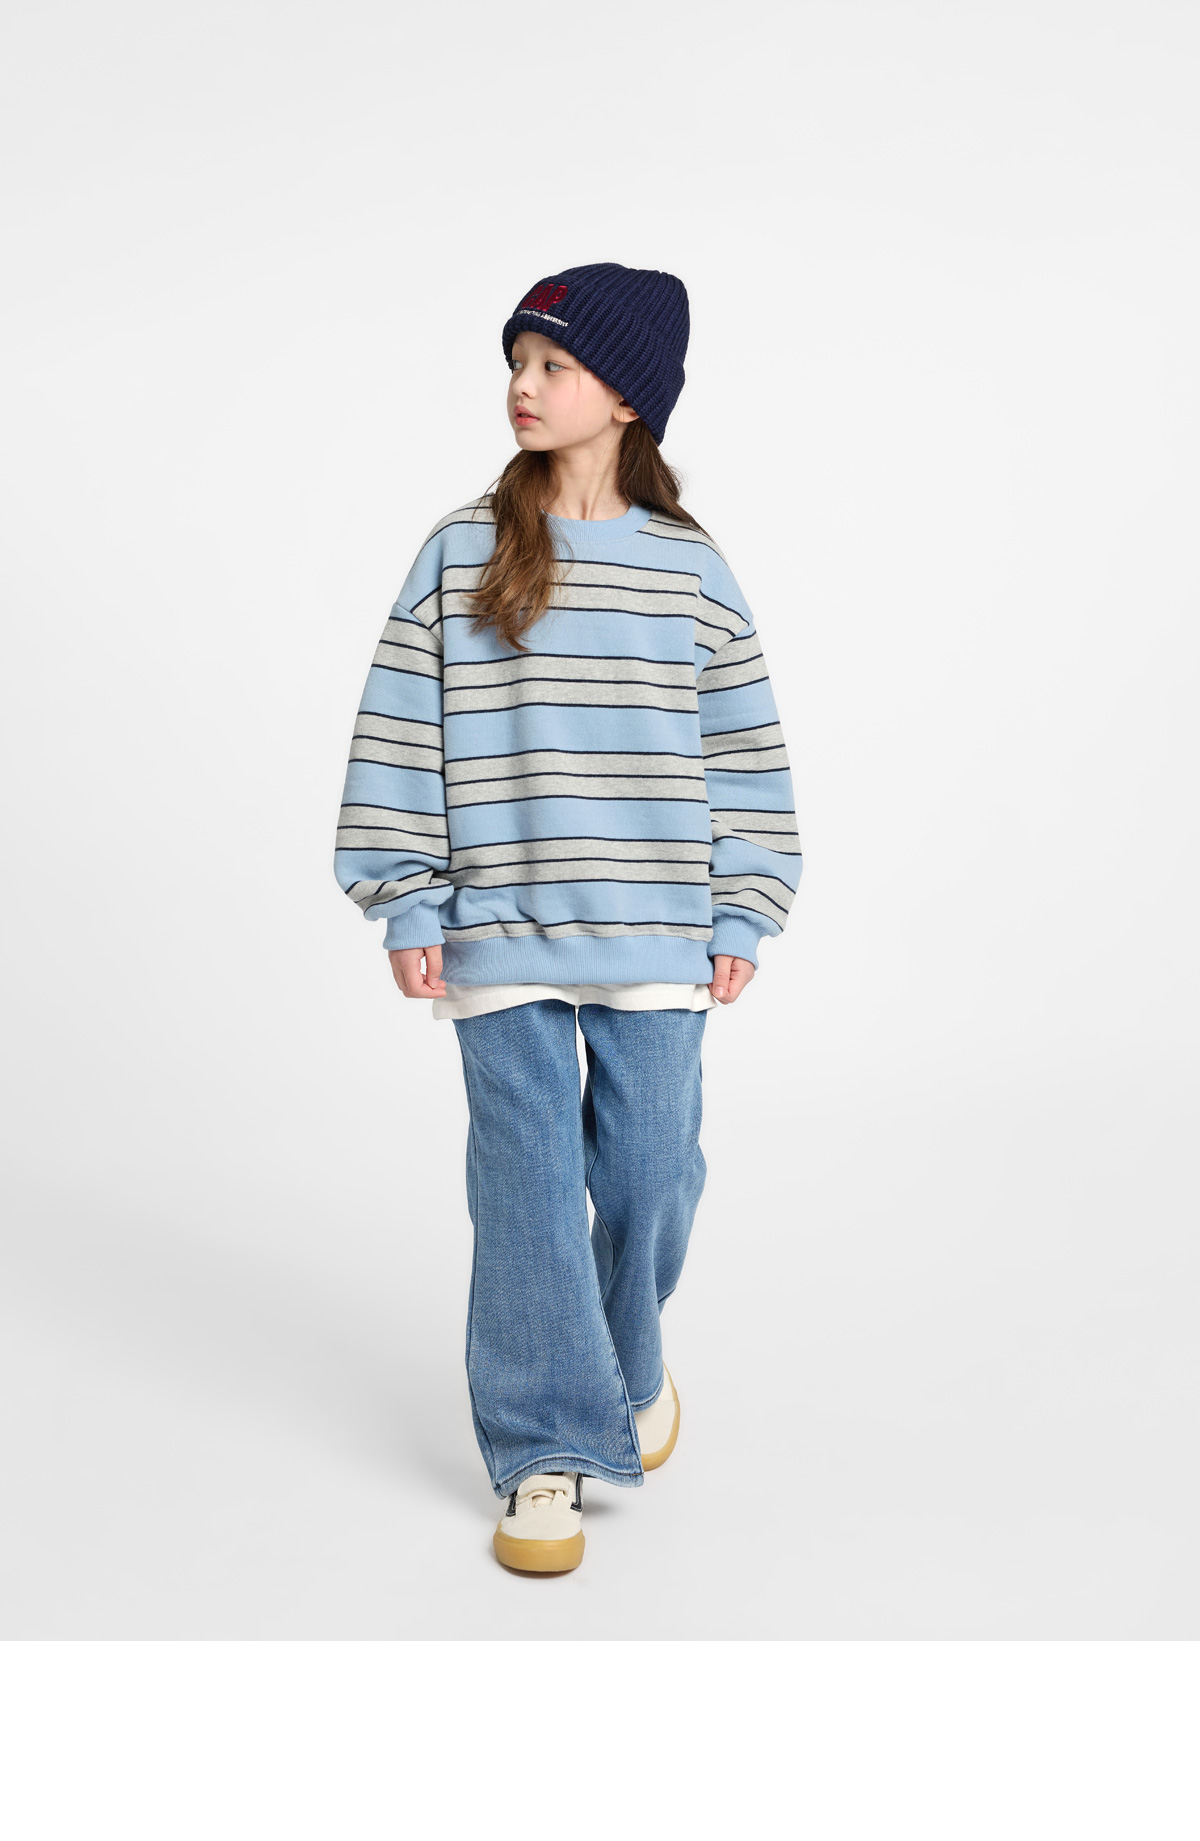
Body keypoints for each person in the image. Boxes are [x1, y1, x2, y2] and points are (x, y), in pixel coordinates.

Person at [334, 262, 802, 1574]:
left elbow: (746, 753)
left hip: (658, 927)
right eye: (517, 362)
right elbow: (398, 728)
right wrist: (405, 894)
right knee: (529, 1189)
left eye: (553, 364)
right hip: (498, 926)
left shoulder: (689, 569)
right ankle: (544, 1446)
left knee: (651, 1170)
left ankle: (625, 1361)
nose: (522, 386)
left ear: (628, 396)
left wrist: (743, 908)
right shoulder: (461, 550)